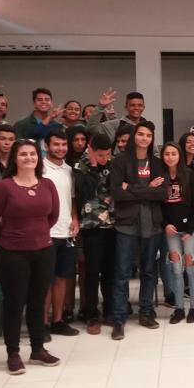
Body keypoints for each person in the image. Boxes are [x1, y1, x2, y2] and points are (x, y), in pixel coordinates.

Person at [0, 139, 61, 374]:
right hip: (12, 254)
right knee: (15, 304)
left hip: (44, 251)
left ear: (38, 158)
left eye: (32, 154)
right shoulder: (4, 187)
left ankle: (38, 349)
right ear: (15, 159)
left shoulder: (47, 184)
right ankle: (13, 353)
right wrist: (9, 238)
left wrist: (36, 236)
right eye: (23, 155)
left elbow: (53, 216)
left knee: (38, 303)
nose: (29, 158)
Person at [109, 121, 166, 340]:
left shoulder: (157, 163)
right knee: (122, 273)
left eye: (148, 135)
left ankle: (145, 312)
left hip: (151, 224)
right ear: (134, 136)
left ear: (152, 138)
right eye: (140, 134)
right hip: (126, 224)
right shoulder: (121, 161)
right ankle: (118, 319)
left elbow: (161, 193)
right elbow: (116, 193)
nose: (144, 138)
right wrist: (147, 188)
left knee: (149, 271)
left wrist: (132, 187)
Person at [74, 133, 116, 335]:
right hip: (91, 226)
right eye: (100, 155)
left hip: (113, 224)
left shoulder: (112, 161)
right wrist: (92, 166)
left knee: (110, 271)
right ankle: (91, 313)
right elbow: (85, 193)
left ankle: (109, 310)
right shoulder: (80, 166)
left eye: (108, 154)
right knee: (92, 273)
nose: (105, 159)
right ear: (91, 150)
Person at [160, 142, 194, 323]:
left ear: (179, 155)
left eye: (174, 154)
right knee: (176, 268)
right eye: (167, 154)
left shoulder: (190, 176)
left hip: (189, 230)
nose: (170, 157)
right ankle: (179, 308)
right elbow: (158, 205)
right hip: (171, 230)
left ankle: (193, 307)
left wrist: (191, 228)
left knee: (190, 266)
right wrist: (165, 224)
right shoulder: (160, 178)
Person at [41, 129, 79, 337]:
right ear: (47, 146)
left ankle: (58, 320)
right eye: (56, 144)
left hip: (66, 232)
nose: (60, 148)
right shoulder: (39, 169)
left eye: (64, 145)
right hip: (45, 233)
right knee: (45, 280)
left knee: (62, 278)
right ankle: (43, 323)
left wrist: (75, 218)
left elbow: (72, 200)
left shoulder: (69, 170)